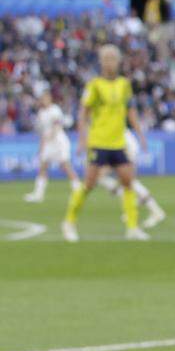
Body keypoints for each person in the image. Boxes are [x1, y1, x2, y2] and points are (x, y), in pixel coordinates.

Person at [62, 45, 150, 242]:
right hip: (99, 141)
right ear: (101, 62)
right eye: (106, 58)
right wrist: (82, 139)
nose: (110, 62)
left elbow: (131, 112)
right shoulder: (94, 85)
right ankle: (69, 222)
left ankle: (132, 227)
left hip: (118, 142)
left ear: (118, 61)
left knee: (128, 182)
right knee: (89, 184)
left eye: (113, 58)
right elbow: (83, 113)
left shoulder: (124, 84)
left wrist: (140, 136)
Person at [97, 128, 166, 228]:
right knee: (125, 181)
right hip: (123, 146)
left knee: (126, 181)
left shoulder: (117, 130)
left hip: (124, 148)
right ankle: (150, 210)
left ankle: (144, 209)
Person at [24, 89, 80, 203]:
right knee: (43, 166)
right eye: (42, 98)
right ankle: (38, 194)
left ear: (49, 98)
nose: (43, 100)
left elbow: (57, 126)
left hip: (59, 141)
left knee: (65, 165)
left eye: (45, 98)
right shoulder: (41, 113)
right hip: (48, 143)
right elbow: (42, 132)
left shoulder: (55, 110)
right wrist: (42, 146)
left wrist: (50, 136)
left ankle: (77, 189)